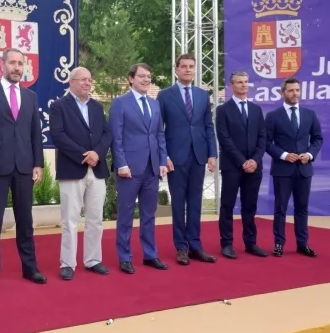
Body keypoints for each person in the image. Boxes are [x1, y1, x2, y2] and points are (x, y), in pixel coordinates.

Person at [0, 47, 46, 291]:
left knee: (26, 221)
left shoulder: (30, 96)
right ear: (2, 65)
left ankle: (30, 267)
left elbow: (35, 133)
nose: (17, 68)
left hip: (24, 166)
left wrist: (38, 163)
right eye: (12, 63)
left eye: (20, 64)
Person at [49, 67, 112, 280]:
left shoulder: (97, 106)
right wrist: (84, 155)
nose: (87, 83)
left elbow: (107, 134)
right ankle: (68, 263)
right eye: (83, 79)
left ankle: (93, 260)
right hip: (72, 169)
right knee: (70, 219)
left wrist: (97, 153)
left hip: (97, 169)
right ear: (72, 82)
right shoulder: (59, 106)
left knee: (95, 218)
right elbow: (58, 136)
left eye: (89, 80)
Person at [157, 53, 218, 265]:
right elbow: (158, 129)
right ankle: (181, 247)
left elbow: (208, 126)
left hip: (199, 155)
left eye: (191, 66)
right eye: (184, 66)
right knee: (178, 204)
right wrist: (164, 156)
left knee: (195, 203)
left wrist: (212, 153)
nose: (188, 70)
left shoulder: (202, 95)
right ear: (176, 69)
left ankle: (195, 246)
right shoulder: (165, 95)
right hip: (176, 157)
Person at [109, 63, 169, 274]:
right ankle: (124, 257)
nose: (146, 80)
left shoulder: (154, 104)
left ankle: (150, 254)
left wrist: (162, 161)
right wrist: (121, 163)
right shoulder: (120, 103)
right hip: (129, 169)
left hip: (152, 168)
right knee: (126, 215)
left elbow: (159, 135)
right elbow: (116, 137)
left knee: (149, 215)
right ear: (131, 78)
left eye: (148, 77)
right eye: (142, 76)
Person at [265, 77, 323, 257]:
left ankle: (302, 244)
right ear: (282, 93)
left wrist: (310, 155)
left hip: (304, 169)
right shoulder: (273, 116)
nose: (295, 93)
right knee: (280, 208)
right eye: (290, 90)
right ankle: (279, 243)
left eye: (297, 90)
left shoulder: (310, 114)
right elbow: (266, 142)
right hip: (282, 170)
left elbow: (317, 139)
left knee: (302, 208)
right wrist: (284, 155)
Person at [215, 71, 268, 259]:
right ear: (231, 85)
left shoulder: (256, 110)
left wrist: (255, 160)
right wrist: (242, 161)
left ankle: (250, 243)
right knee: (227, 206)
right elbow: (224, 139)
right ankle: (227, 244)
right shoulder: (223, 110)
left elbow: (262, 137)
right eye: (239, 82)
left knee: (250, 206)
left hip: (254, 167)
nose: (244, 85)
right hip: (232, 166)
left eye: (246, 82)